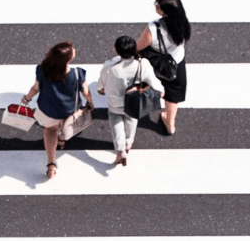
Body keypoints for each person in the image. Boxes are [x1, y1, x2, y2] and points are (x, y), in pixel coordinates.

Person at [21, 41, 94, 178]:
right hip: (69, 109)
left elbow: (35, 88)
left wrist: (26, 99)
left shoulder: (43, 70)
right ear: (69, 58)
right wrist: (90, 103)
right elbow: (86, 92)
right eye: (73, 50)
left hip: (48, 109)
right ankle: (62, 140)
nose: (75, 50)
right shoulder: (77, 73)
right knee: (66, 124)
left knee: (50, 129)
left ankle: (51, 164)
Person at [97, 35, 164, 166]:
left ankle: (120, 149)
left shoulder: (109, 66)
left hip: (115, 103)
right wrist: (160, 92)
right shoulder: (142, 64)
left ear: (116, 50)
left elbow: (100, 86)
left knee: (116, 121)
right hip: (134, 102)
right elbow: (154, 83)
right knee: (132, 119)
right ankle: (128, 142)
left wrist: (101, 90)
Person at [135, 0, 191, 135]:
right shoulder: (183, 23)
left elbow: (139, 46)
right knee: (173, 95)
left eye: (158, 6)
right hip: (176, 62)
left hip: (155, 63)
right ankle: (170, 123)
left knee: (144, 83)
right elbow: (174, 9)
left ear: (165, 12)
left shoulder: (153, 28)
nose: (155, 6)